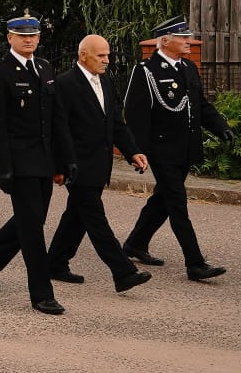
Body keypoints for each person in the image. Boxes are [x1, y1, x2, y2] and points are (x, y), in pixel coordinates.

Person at [0, 12, 74, 315]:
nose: (29, 40)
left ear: (39, 38)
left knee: (32, 221)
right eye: (22, 36)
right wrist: (2, 168)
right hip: (19, 162)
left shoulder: (44, 67)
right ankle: (42, 294)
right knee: (32, 231)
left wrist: (66, 159)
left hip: (44, 160)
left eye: (33, 35)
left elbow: (56, 119)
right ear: (10, 38)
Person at [121, 16, 231, 280]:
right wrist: (136, 151)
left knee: (163, 200)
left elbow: (200, 105)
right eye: (182, 37)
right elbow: (135, 114)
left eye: (188, 37)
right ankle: (195, 263)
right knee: (177, 204)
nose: (188, 41)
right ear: (165, 41)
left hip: (185, 148)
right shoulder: (147, 71)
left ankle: (135, 244)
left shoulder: (188, 67)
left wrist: (221, 127)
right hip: (161, 150)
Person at [46, 35, 153, 293]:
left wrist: (132, 152)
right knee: (96, 221)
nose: (107, 60)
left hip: (99, 164)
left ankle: (55, 263)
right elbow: (57, 128)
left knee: (76, 217)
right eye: (101, 55)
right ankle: (123, 272)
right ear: (83, 55)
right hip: (77, 166)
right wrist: (59, 166)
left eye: (108, 55)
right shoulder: (65, 84)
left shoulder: (104, 81)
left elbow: (115, 123)